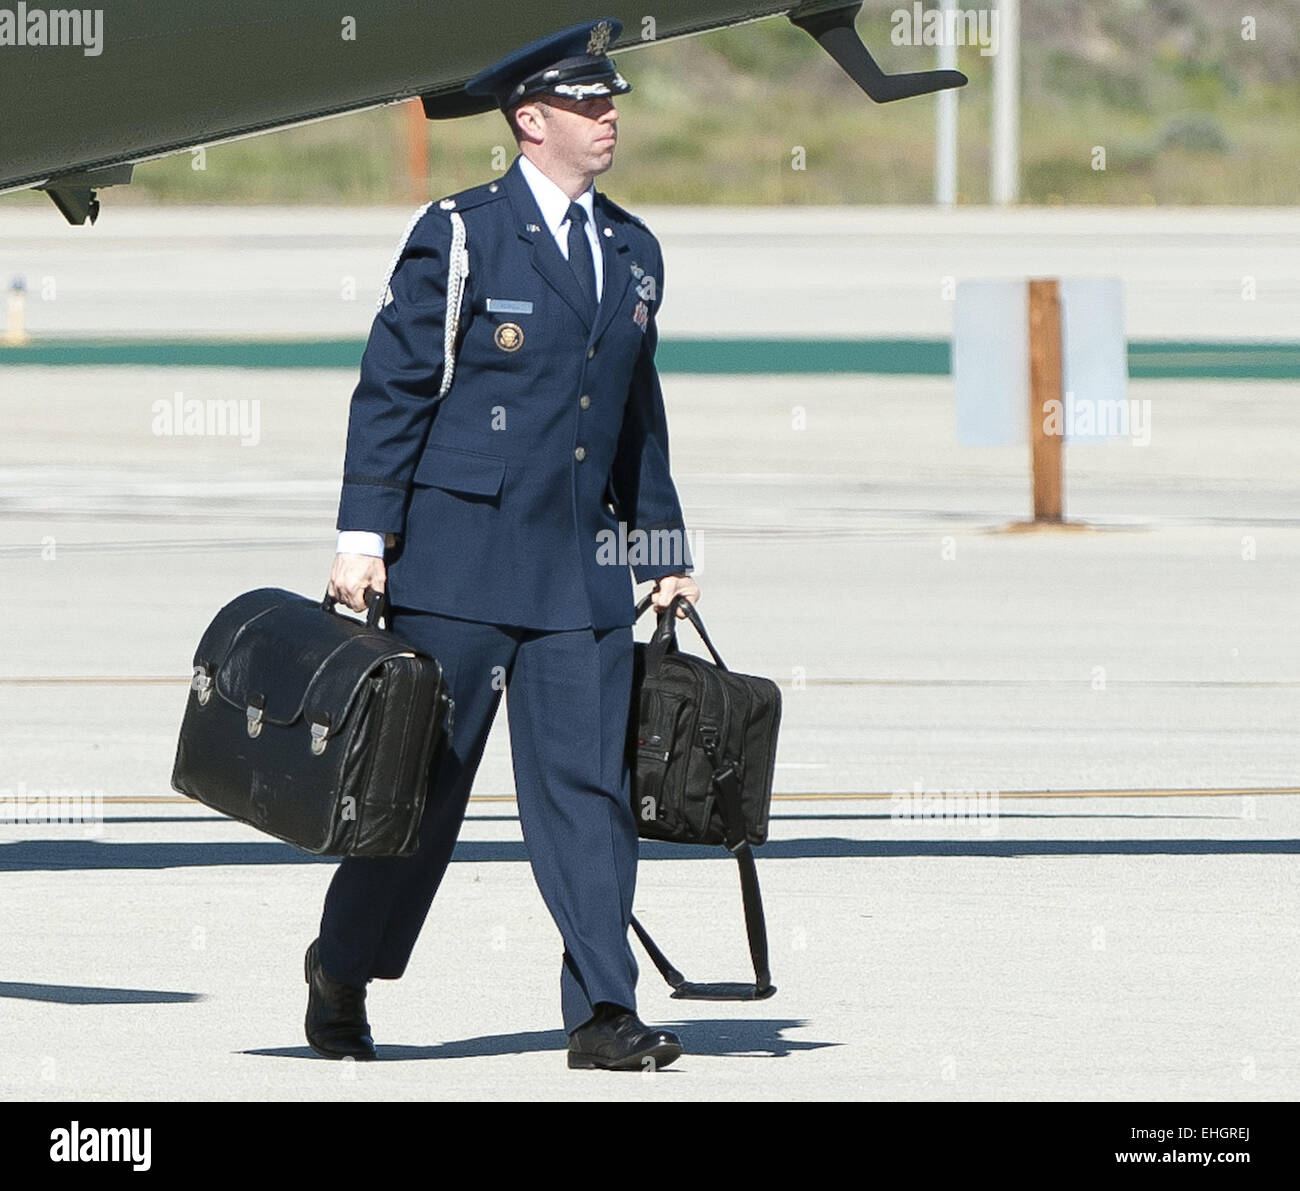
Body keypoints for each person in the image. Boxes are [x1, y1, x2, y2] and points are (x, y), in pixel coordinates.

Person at [309, 17, 699, 1071]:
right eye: (585, 103)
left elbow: (633, 411)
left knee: (589, 795)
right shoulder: (463, 231)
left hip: (579, 571)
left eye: (610, 100)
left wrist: (657, 542)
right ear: (531, 120)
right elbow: (392, 389)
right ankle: (342, 967)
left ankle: (601, 1013)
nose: (606, 115)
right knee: (420, 796)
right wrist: (362, 536)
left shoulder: (632, 248)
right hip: (458, 560)